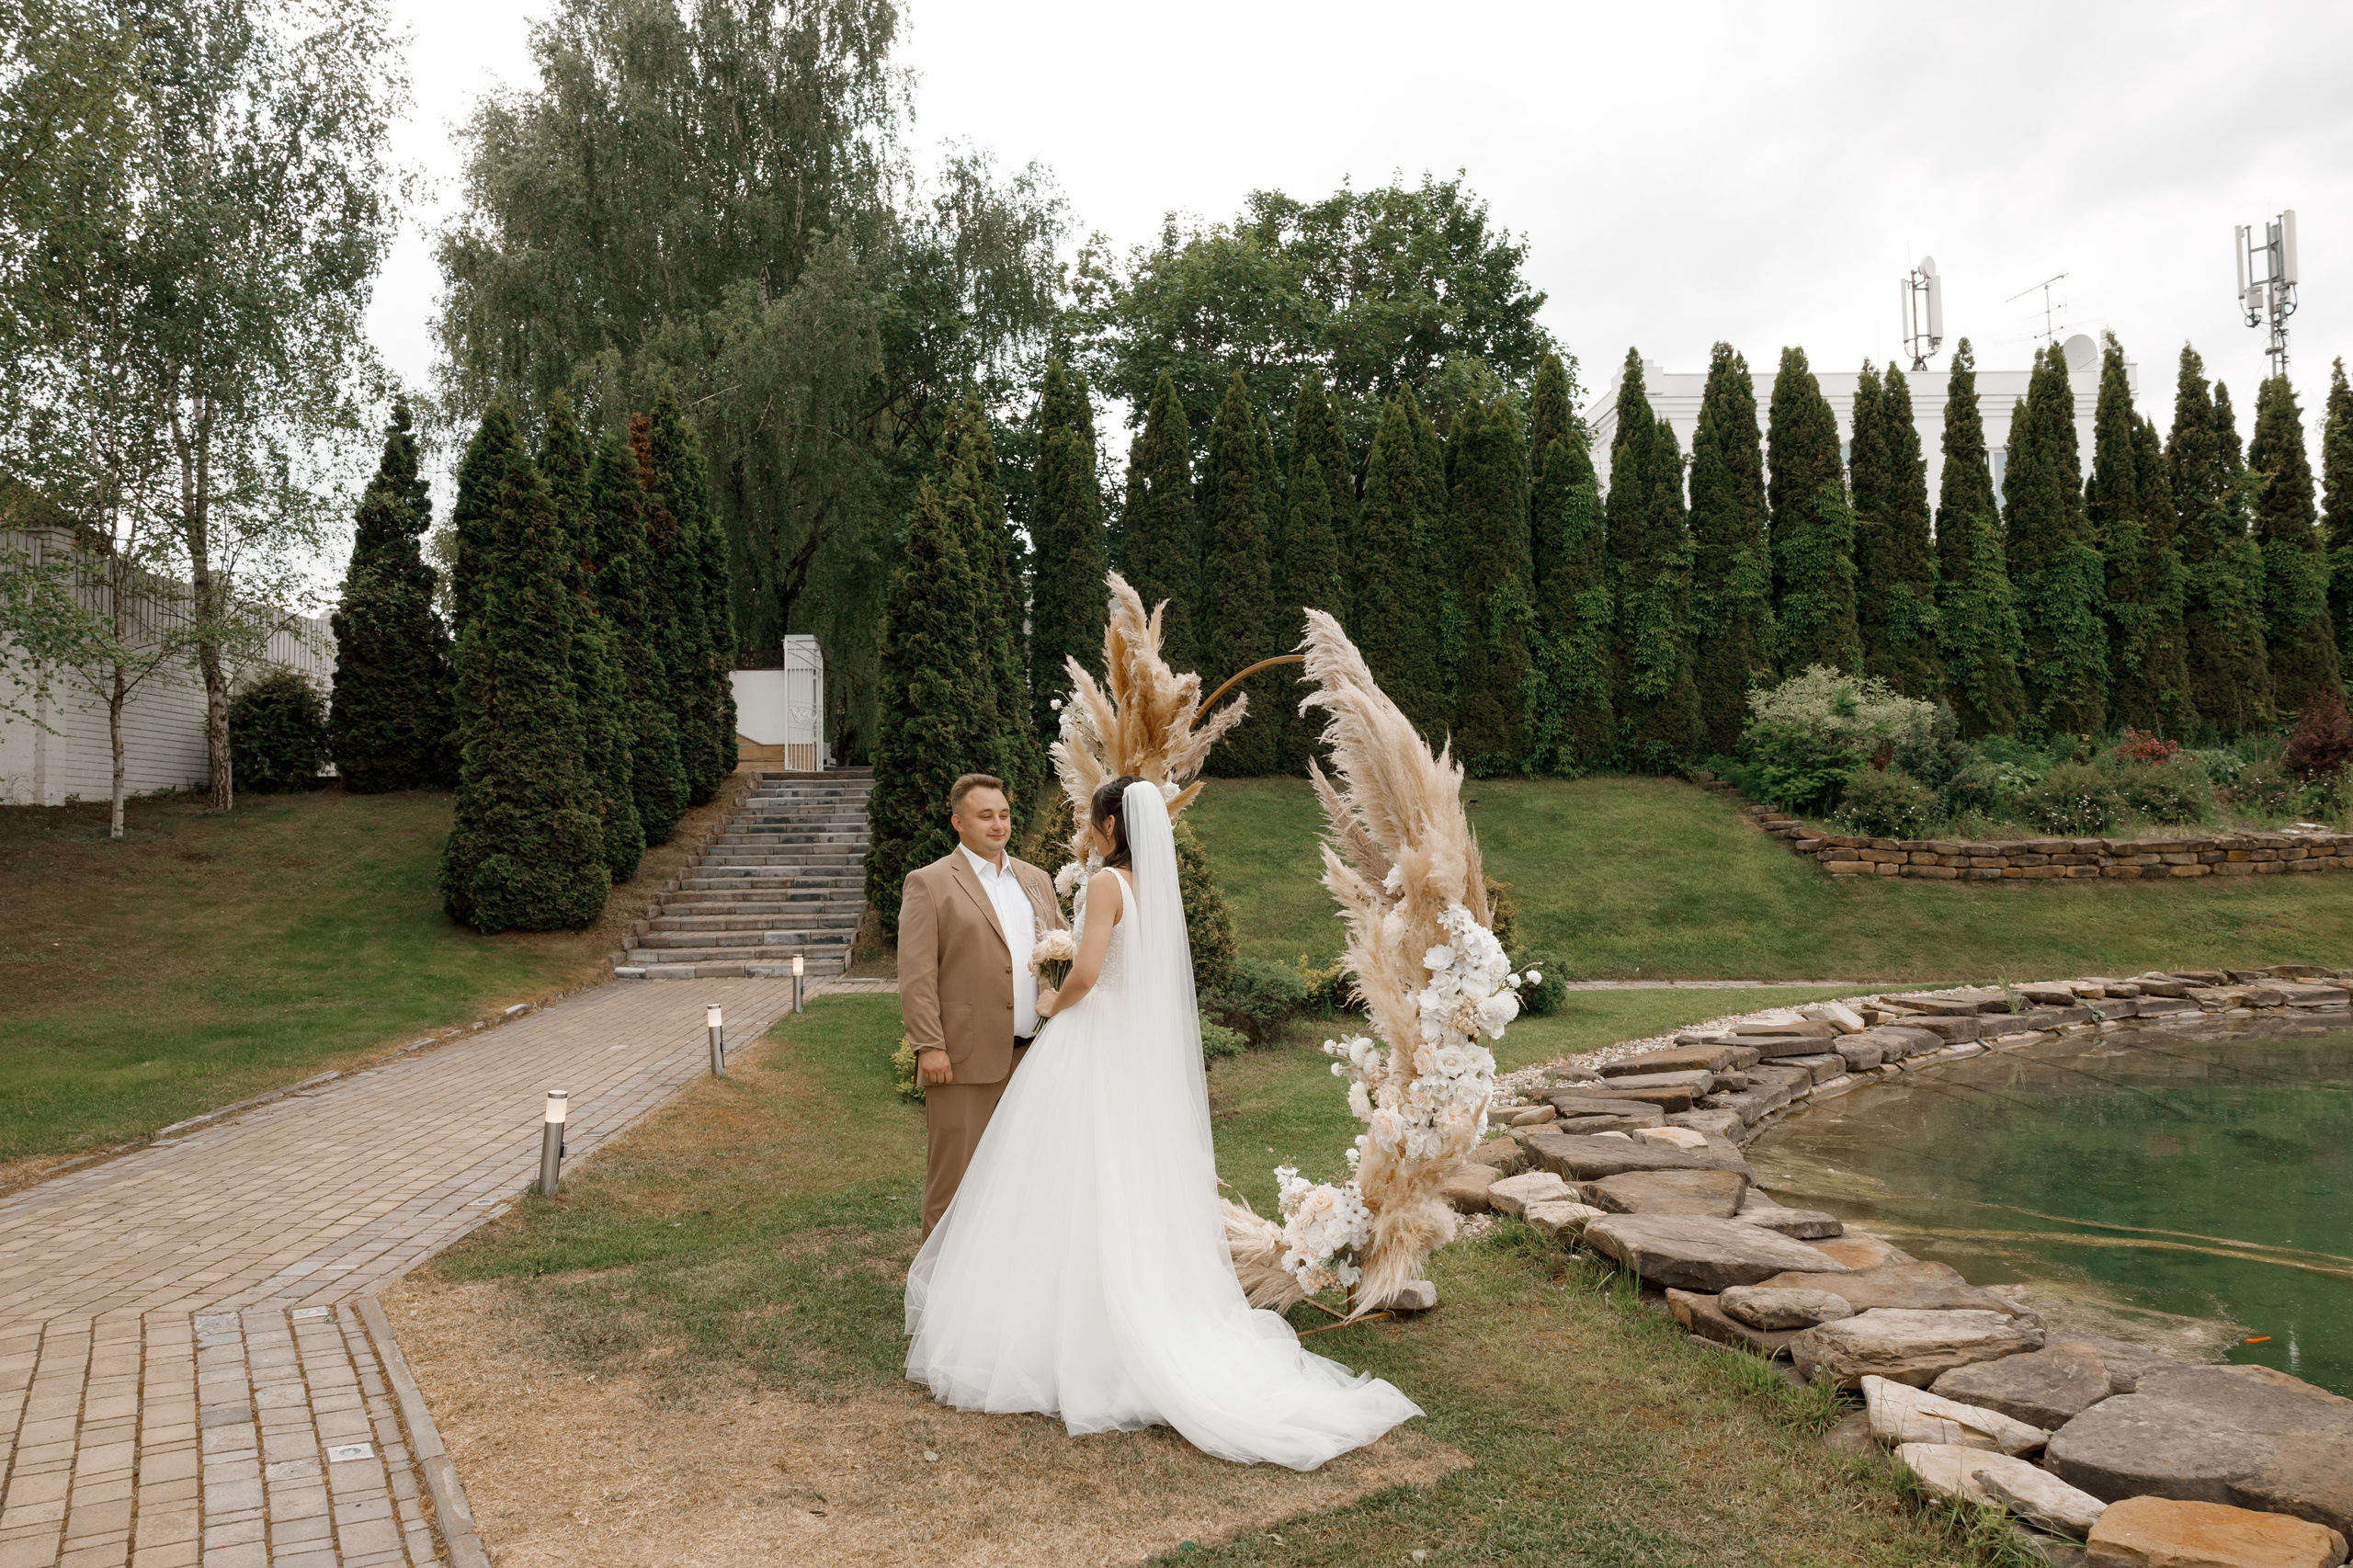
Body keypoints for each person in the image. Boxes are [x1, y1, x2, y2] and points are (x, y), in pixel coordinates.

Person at [904, 776, 1421, 1470]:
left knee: (1063, 1174)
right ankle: (1128, 1301)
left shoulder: (1105, 887)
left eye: (1093, 823)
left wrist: (1056, 1003)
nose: (1088, 834)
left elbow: (1087, 972)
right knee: (1123, 1174)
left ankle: (1050, 1321)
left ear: (1111, 827)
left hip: (1089, 1038)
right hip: (1129, 1049)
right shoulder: (1155, 889)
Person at [897, 772, 1069, 1239]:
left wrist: (1058, 992)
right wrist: (929, 1046)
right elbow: (916, 975)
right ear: (958, 822)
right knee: (953, 1180)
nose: (998, 825)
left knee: (1025, 1173)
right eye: (985, 816)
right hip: (962, 1056)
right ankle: (937, 1291)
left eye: (1005, 815)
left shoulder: (1036, 880)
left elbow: (1057, 951)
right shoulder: (929, 883)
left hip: (1033, 1054)